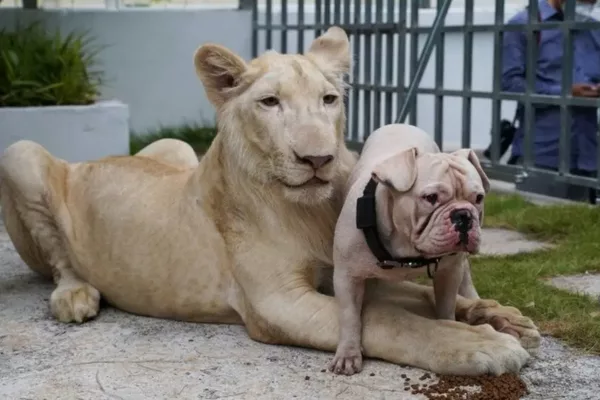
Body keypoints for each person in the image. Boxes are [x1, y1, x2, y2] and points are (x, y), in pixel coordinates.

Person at [499, 0, 600, 203]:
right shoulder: (524, 24)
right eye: (585, 0)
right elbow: (510, 84)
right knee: (536, 229)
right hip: (542, 154)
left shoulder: (591, 28)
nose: (590, 5)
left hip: (586, 153)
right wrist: (564, 93)